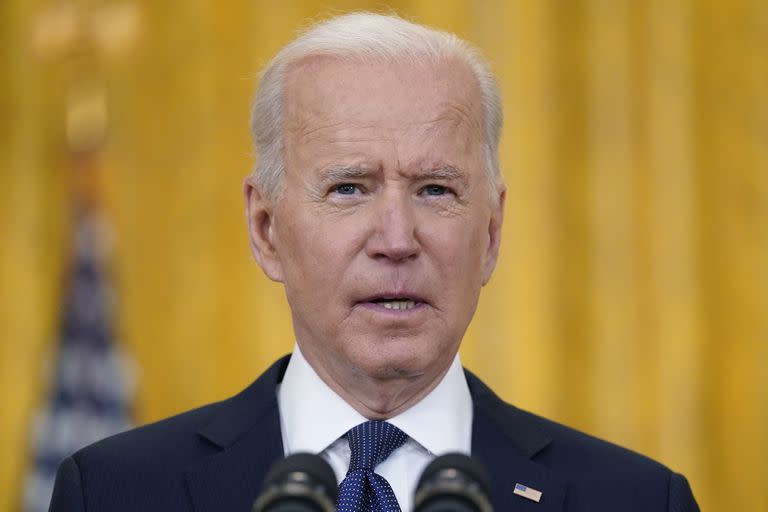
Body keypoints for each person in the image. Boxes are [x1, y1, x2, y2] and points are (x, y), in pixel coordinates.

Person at [49, 13, 699, 512]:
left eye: (436, 190)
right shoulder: (117, 491)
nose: (396, 238)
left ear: (493, 233)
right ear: (266, 228)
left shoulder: (634, 499)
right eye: (349, 188)